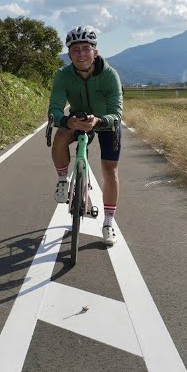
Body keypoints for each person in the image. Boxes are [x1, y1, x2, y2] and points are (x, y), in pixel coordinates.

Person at [49, 25, 124, 247]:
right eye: (75, 50)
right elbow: (54, 109)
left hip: (105, 122)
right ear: (69, 54)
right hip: (78, 119)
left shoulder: (110, 75)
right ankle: (63, 180)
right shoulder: (63, 76)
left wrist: (99, 121)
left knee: (110, 170)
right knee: (61, 136)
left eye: (85, 48)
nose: (80, 53)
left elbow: (117, 113)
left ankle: (108, 222)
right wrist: (66, 120)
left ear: (95, 52)